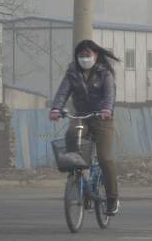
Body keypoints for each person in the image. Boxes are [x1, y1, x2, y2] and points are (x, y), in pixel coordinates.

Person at [49, 39, 120, 215]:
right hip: (82, 117)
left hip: (102, 118)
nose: (84, 58)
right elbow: (63, 91)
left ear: (95, 55)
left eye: (87, 55)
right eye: (81, 55)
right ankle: (78, 174)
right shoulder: (72, 72)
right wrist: (56, 108)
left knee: (105, 159)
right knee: (71, 134)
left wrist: (106, 109)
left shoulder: (105, 73)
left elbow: (109, 93)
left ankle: (112, 199)